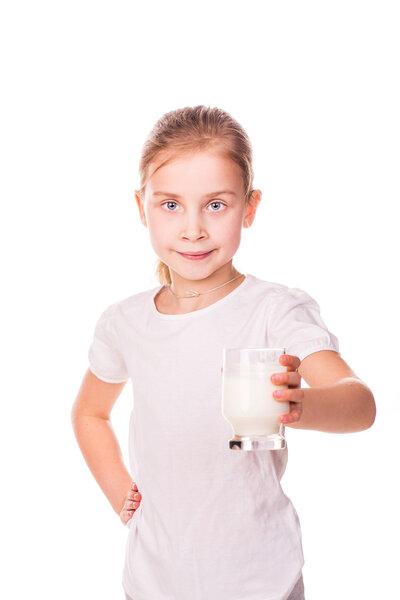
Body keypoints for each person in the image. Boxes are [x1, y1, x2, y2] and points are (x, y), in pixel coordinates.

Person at [71, 105, 376, 600]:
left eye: (216, 205)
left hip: (262, 581)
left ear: (249, 208)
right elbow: (89, 412)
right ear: (141, 206)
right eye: (170, 205)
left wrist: (305, 405)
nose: (193, 228)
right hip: (154, 583)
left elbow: (359, 403)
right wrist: (120, 495)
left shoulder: (274, 310)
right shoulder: (125, 322)